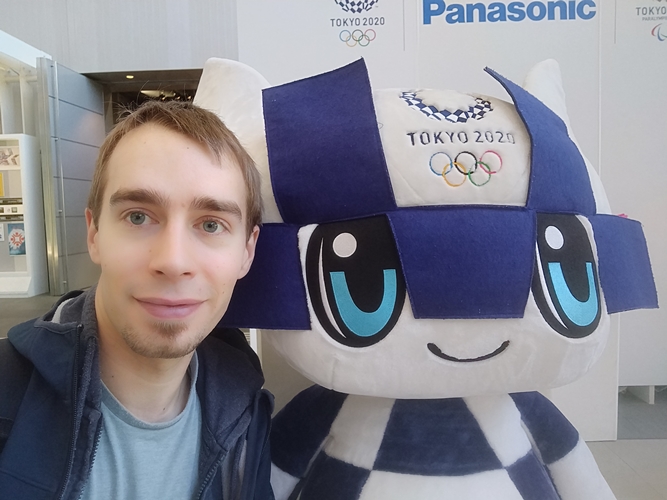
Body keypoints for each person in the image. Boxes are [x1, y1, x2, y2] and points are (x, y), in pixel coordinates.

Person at [0, 100, 274, 500]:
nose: (173, 262)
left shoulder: (248, 415)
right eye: (138, 217)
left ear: (247, 251)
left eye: (211, 224)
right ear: (94, 234)